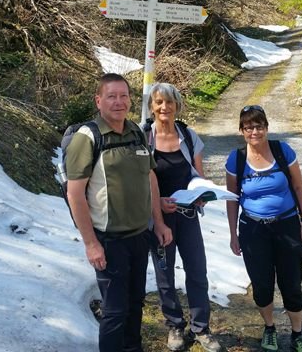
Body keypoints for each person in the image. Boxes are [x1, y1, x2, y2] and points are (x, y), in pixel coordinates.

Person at [66, 73, 172, 352]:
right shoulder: (87, 138)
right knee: (114, 312)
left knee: (135, 304)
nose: (119, 102)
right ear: (98, 100)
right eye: (111, 96)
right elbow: (74, 194)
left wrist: (158, 223)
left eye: (124, 96)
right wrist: (91, 244)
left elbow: (150, 178)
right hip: (109, 241)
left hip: (139, 237)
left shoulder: (136, 131)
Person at [225, 105, 302, 352]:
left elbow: (298, 187)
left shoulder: (282, 150)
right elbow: (232, 198)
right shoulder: (237, 159)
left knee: (291, 282)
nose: (255, 131)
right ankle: (270, 328)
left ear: (266, 127)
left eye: (259, 125)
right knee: (262, 283)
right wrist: (233, 234)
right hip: (253, 229)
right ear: (242, 130)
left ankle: (297, 334)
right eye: (249, 127)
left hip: (286, 224)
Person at [144, 82, 221, 352]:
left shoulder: (188, 136)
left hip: (187, 216)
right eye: (158, 102)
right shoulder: (144, 138)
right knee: (165, 275)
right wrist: (159, 207)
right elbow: (141, 181)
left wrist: (202, 193)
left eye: (170, 102)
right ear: (151, 107)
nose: (164, 107)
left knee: (197, 270)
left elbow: (197, 176)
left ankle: (201, 328)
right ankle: (175, 326)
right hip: (159, 218)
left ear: (177, 105)